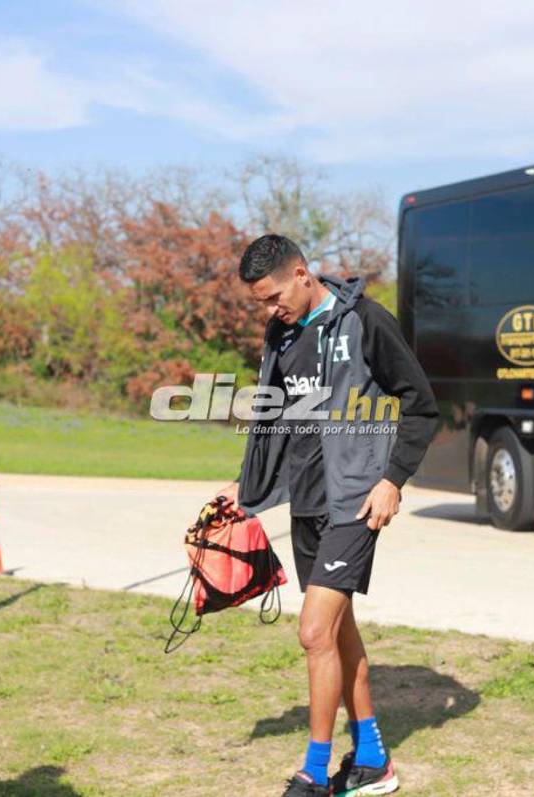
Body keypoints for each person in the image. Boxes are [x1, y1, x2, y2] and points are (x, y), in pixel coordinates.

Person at [216, 235, 437, 797]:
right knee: (338, 634)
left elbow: (420, 402)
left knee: (313, 633)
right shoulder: (282, 333)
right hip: (308, 502)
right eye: (261, 303)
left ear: (302, 273)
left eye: (272, 297)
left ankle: (313, 773)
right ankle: (373, 762)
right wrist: (249, 486)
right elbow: (278, 418)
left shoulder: (364, 320)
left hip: (358, 501)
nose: (269, 310)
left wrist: (392, 481)